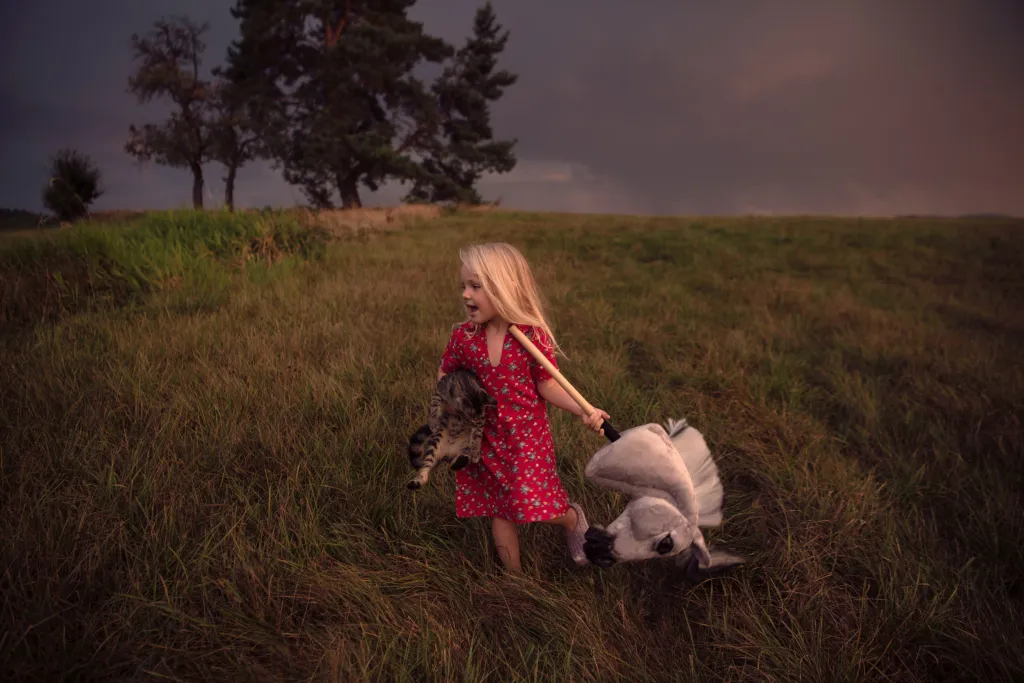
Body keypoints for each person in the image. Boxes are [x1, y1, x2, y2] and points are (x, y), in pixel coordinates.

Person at [436, 242, 610, 572]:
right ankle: (515, 581)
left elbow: (548, 384)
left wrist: (584, 410)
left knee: (531, 502)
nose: (465, 295)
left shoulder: (531, 336)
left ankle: (571, 519)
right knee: (500, 507)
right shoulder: (465, 336)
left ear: (504, 289)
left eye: (475, 286)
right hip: (486, 436)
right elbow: (446, 369)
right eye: (464, 286)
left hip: (525, 437)